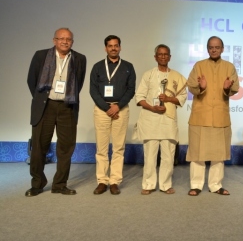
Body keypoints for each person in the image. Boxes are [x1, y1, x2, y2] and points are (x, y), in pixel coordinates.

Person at [26, 28, 86, 197]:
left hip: (67, 106)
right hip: (46, 106)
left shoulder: (79, 59)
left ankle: (60, 184)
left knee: (66, 148)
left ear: (72, 42)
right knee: (39, 147)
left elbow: (78, 83)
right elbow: (32, 80)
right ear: (54, 40)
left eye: (68, 39)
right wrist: (42, 98)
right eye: (61, 38)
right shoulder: (41, 56)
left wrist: (66, 97)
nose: (65, 41)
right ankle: (37, 184)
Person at [186, 36, 239, 196]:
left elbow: (235, 87)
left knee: (218, 154)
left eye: (217, 47)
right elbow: (190, 85)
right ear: (207, 49)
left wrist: (227, 88)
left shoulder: (229, 67)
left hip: (220, 116)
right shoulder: (199, 65)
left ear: (222, 49)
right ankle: (196, 185)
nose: (214, 50)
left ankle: (216, 185)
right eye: (211, 47)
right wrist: (200, 87)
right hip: (200, 116)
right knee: (197, 153)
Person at [135, 44, 187, 195]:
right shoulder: (148, 75)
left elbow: (182, 98)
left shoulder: (177, 76)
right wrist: (152, 107)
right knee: (150, 156)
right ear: (155, 57)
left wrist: (169, 99)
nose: (163, 57)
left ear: (170, 57)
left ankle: (165, 184)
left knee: (168, 155)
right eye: (160, 54)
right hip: (150, 118)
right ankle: (148, 184)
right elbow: (139, 97)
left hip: (168, 120)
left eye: (166, 54)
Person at [89, 35, 135, 195]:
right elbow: (93, 90)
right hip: (102, 110)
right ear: (105, 48)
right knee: (101, 148)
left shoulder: (128, 67)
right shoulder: (97, 67)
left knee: (118, 148)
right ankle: (102, 181)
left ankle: (115, 181)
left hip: (121, 109)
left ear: (120, 47)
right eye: (110, 46)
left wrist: (117, 106)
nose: (113, 48)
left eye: (116, 45)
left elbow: (131, 90)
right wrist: (106, 107)